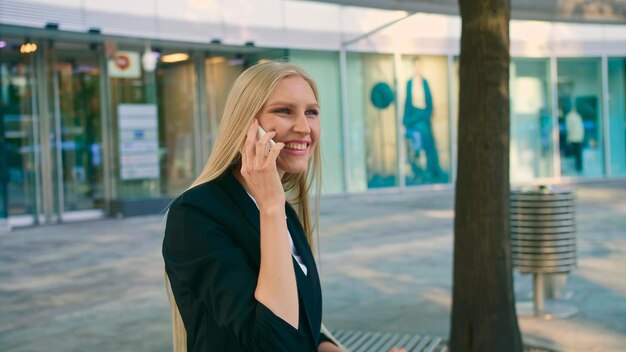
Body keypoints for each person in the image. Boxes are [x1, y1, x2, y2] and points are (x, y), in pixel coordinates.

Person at [162, 62, 405, 352]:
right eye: (284, 111)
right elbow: (275, 343)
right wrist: (272, 208)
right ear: (247, 123)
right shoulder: (196, 214)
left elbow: (304, 329)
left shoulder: (281, 211)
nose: (303, 127)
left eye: (311, 112)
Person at [403, 59, 443, 183]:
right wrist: (405, 120)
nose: (417, 69)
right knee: (414, 144)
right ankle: (418, 171)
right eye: (416, 66)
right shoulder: (409, 83)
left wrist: (426, 115)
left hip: (423, 116)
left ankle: (430, 170)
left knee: (428, 144)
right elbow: (407, 102)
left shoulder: (425, 83)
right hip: (413, 116)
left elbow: (429, 102)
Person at [565, 104, 585, 172]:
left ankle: (577, 167)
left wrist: (568, 137)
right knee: (578, 153)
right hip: (578, 137)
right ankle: (578, 167)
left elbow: (569, 128)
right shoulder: (577, 116)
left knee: (575, 153)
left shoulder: (569, 117)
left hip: (573, 137)